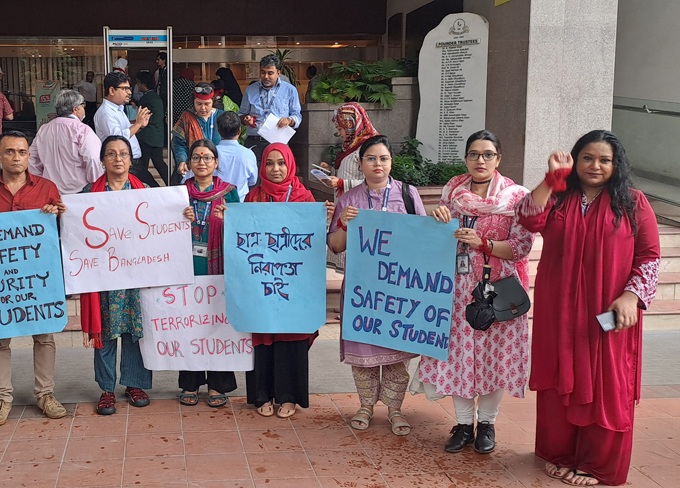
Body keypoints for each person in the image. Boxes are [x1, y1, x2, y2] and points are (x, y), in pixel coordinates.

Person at [518, 130, 660, 486]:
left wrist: (632, 296)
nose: (595, 166)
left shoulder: (633, 202)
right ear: (576, 160)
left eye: (604, 160)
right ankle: (561, 453)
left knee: (606, 382)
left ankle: (598, 464)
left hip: (608, 311)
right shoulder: (560, 197)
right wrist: (552, 178)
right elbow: (527, 217)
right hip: (559, 310)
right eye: (587, 158)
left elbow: (650, 256)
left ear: (617, 164)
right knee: (558, 376)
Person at [416, 130, 533, 455]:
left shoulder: (517, 198)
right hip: (456, 291)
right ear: (466, 158)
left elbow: (521, 247)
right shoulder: (452, 190)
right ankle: (464, 425)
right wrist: (438, 218)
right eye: (473, 154)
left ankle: (487, 424)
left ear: (498, 159)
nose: (480, 160)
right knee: (459, 358)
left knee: (494, 359)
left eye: (487, 154)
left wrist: (483, 244)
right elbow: (437, 237)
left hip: (498, 291)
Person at [0, 131, 69, 424]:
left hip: (37, 279)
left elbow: (60, 230)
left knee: (44, 336)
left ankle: (45, 394)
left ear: (29, 156)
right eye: (9, 152)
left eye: (21, 152)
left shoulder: (47, 188)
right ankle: (2, 399)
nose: (16, 157)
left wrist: (56, 212)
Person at [214, 143, 334, 418]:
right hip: (261, 286)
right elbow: (242, 241)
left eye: (281, 163)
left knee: (291, 336)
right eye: (270, 163)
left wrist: (323, 220)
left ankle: (289, 397)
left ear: (291, 165)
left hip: (294, 286)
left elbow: (313, 244)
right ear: (262, 167)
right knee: (263, 336)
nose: (276, 169)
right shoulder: (252, 199)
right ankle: (262, 396)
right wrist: (228, 221)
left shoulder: (305, 199)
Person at [327, 135, 426, 436]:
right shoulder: (350, 199)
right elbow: (335, 246)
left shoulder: (408, 195)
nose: (377, 164)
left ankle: (396, 409)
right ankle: (366, 406)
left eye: (383, 158)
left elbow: (424, 239)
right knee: (365, 353)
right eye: (371, 158)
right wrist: (343, 222)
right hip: (362, 291)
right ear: (360, 164)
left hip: (398, 290)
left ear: (391, 162)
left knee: (396, 351)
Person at [79, 135, 153, 415]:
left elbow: (159, 227)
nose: (118, 158)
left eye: (123, 153)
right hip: (104, 276)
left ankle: (135, 384)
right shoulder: (88, 194)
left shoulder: (145, 191)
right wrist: (64, 214)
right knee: (106, 332)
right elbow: (78, 231)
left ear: (130, 159)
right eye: (111, 154)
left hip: (137, 274)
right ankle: (107, 389)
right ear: (102, 160)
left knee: (136, 332)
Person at [177, 139, 240, 407]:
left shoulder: (230, 192)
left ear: (216, 163)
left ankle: (218, 384)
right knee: (189, 326)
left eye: (207, 158)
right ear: (189, 163)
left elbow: (243, 231)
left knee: (217, 327)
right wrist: (178, 217)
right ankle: (190, 383)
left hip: (220, 270)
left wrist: (230, 220)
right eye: (196, 157)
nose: (201, 162)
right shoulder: (178, 193)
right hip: (187, 270)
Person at [28, 89, 103, 194]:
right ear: (75, 109)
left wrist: (40, 182)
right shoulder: (83, 130)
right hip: (79, 192)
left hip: (50, 192)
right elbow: (93, 159)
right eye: (83, 105)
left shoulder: (44, 129)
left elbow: (31, 159)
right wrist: (96, 184)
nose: (84, 109)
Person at [238, 54, 302, 161]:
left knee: (277, 175)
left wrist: (289, 120)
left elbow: (297, 115)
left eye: (270, 73)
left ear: (278, 73)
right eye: (263, 72)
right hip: (255, 141)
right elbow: (241, 114)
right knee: (254, 177)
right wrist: (245, 119)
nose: (266, 76)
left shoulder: (290, 90)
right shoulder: (250, 90)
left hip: (279, 141)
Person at [320, 102, 379, 196]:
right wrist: (331, 171)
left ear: (350, 126)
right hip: (346, 204)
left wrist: (342, 184)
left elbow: (375, 182)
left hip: (357, 206)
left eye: (340, 129)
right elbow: (351, 173)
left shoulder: (370, 149)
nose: (338, 133)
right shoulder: (351, 147)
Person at [94, 71, 150, 164]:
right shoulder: (106, 113)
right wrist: (138, 123)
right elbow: (118, 138)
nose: (129, 92)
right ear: (112, 90)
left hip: (130, 161)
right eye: (125, 88)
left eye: (129, 88)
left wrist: (140, 125)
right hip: (121, 163)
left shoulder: (118, 108)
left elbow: (128, 131)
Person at [173, 82, 223, 181]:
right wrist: (182, 160)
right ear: (193, 102)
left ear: (213, 101)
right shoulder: (187, 117)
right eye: (199, 104)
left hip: (219, 168)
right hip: (194, 167)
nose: (203, 108)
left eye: (207, 104)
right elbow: (179, 144)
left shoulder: (221, 116)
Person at [134, 72, 168, 187]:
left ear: (143, 83)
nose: (137, 85)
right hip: (158, 135)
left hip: (146, 136)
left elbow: (144, 119)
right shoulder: (156, 97)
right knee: (159, 163)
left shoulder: (146, 99)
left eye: (138, 82)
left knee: (142, 166)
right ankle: (173, 184)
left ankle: (151, 187)